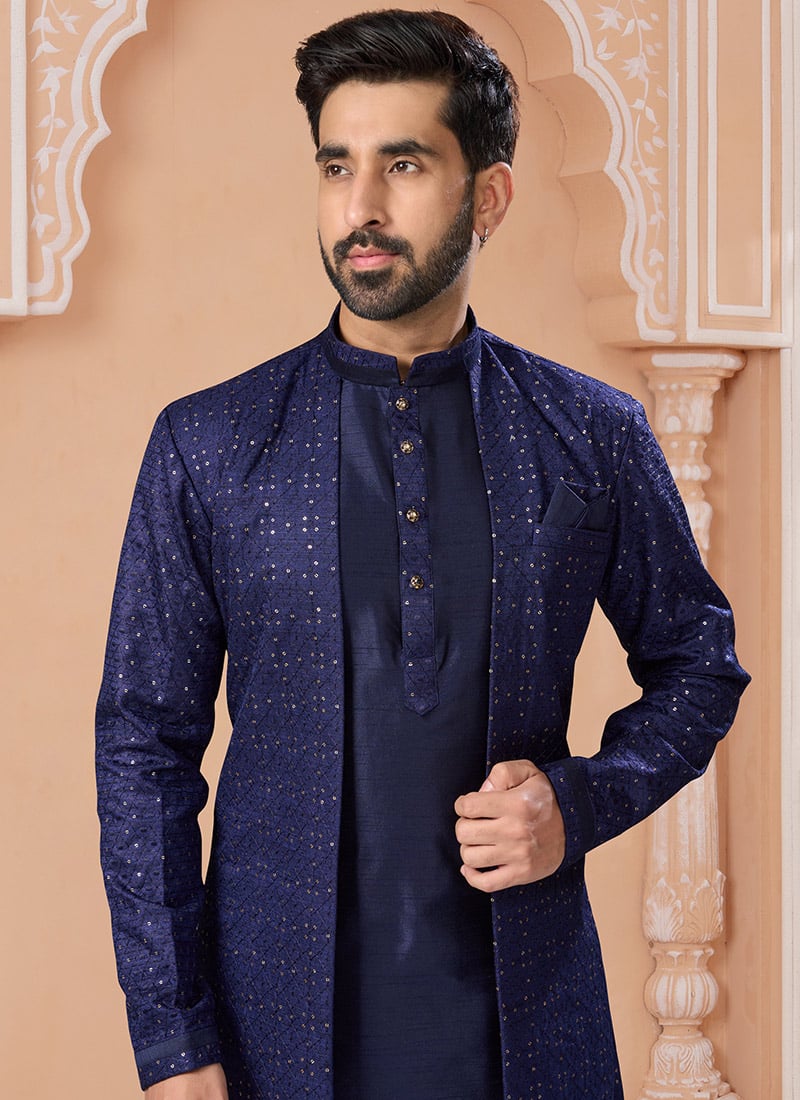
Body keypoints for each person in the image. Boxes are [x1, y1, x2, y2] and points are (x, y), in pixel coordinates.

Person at [96, 9, 749, 1099]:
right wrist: (174, 1045)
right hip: (272, 1043)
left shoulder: (589, 433)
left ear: (487, 196)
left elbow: (699, 662)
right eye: (335, 167)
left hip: (529, 1037)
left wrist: (578, 803)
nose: (360, 207)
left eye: (401, 165)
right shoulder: (209, 443)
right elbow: (141, 748)